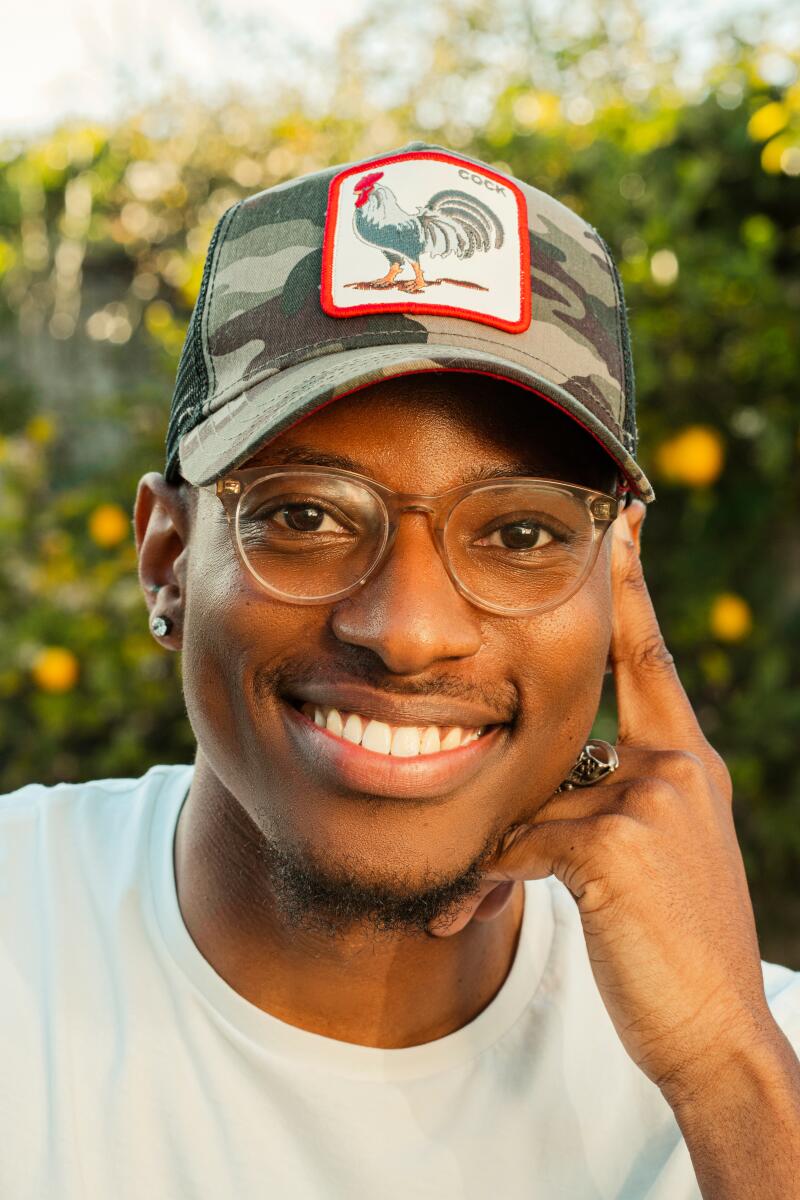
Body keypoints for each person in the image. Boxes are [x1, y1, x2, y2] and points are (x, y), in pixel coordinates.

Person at [1, 142, 798, 1200]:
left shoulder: (758, 1070)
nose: (410, 629)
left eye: (519, 533)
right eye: (304, 515)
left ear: (616, 581)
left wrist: (724, 1072)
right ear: (166, 558)